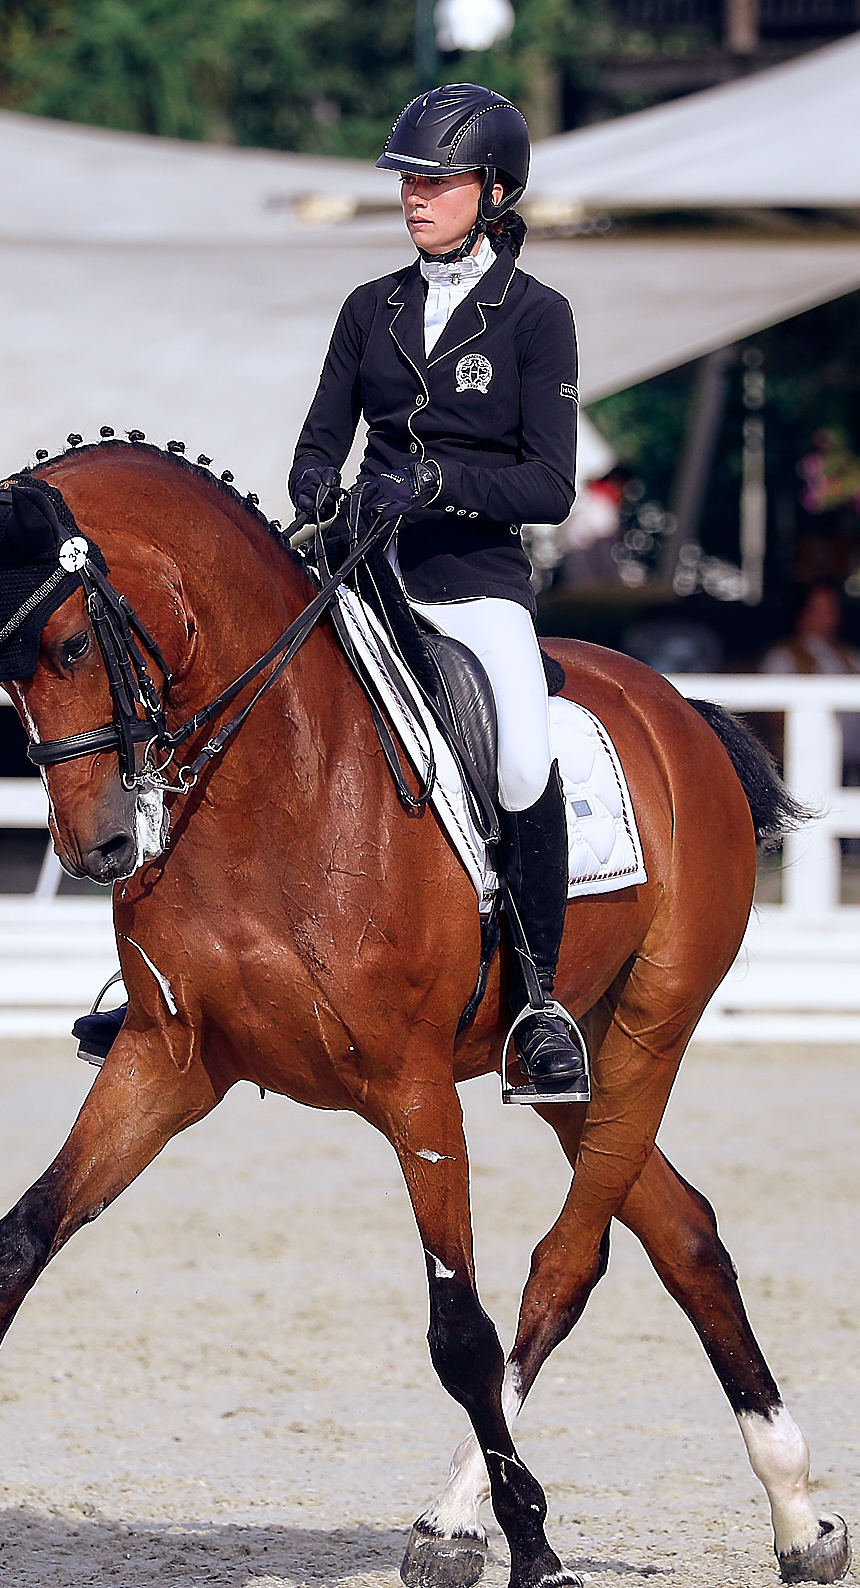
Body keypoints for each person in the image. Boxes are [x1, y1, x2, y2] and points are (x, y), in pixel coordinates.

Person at [287, 83, 588, 1104]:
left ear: (492, 191)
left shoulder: (538, 317)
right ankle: (184, 970)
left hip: (474, 583)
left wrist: (438, 483)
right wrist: (311, 491)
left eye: (437, 180)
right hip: (363, 572)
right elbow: (320, 439)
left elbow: (550, 485)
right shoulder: (366, 309)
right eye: (408, 179)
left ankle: (539, 1004)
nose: (414, 195)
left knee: (518, 758)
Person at [760, 583, 860, 781]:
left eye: (833, 608)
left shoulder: (849, 653)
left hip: (859, 740)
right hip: (811, 745)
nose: (831, 615)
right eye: (822, 609)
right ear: (802, 614)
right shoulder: (782, 656)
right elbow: (773, 714)